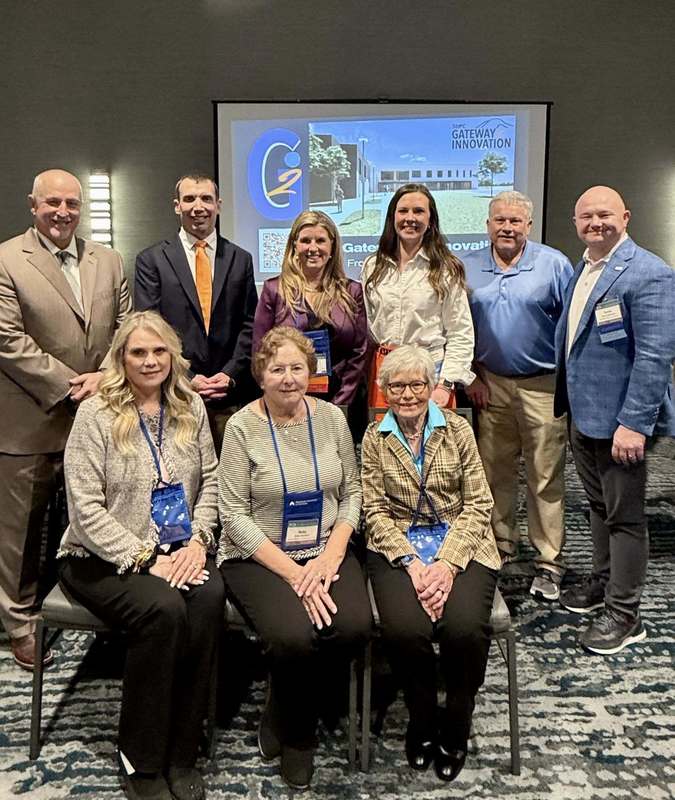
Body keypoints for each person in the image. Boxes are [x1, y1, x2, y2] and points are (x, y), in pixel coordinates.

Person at [58, 311, 224, 800]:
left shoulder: (190, 405)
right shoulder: (96, 414)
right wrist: (147, 558)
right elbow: (84, 509)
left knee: (209, 596)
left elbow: (210, 481)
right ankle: (140, 756)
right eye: (138, 353)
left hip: (181, 547)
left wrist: (197, 542)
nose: (150, 361)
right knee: (164, 608)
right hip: (99, 556)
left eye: (159, 351)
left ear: (173, 356)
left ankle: (181, 750)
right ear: (121, 359)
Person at [217, 326, 370, 790]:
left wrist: (331, 555)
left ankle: (281, 702)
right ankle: (296, 735)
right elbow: (232, 514)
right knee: (293, 637)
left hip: (324, 549)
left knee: (354, 626)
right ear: (261, 375)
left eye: (297, 368)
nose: (288, 378)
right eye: (277, 369)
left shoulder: (332, 419)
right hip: (257, 554)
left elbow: (352, 494)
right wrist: (296, 573)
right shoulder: (242, 426)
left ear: (312, 373)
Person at [0, 168, 131, 670]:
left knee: (98, 516)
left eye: (72, 204)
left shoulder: (109, 259)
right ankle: (20, 622)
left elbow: (124, 327)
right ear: (33, 205)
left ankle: (96, 609)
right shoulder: (8, 259)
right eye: (52, 203)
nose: (63, 212)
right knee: (22, 532)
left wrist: (103, 378)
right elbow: (9, 342)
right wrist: (72, 383)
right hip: (33, 419)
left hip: (100, 417)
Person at [362, 345, 501, 782]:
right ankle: (421, 718)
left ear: (431, 387)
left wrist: (445, 564)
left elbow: (479, 505)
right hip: (398, 547)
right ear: (384, 390)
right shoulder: (373, 438)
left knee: (464, 629)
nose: (407, 394)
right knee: (406, 630)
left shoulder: (458, 430)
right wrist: (411, 562)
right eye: (397, 385)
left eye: (417, 384)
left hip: (463, 542)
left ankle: (457, 723)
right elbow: (373, 511)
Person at [555, 185, 675, 655]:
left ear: (625, 216)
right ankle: (602, 585)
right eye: (586, 217)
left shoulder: (650, 273)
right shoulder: (583, 267)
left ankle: (625, 614)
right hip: (585, 416)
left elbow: (655, 356)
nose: (595, 223)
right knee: (599, 509)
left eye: (604, 215)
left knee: (625, 518)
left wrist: (634, 423)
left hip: (622, 422)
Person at [463, 191, 573, 600]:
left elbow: (570, 327)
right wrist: (471, 375)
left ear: (528, 225)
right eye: (499, 220)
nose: (506, 227)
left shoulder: (554, 264)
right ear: (488, 224)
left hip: (542, 385)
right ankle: (501, 547)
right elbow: (460, 327)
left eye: (515, 221)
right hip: (489, 384)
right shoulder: (468, 266)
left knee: (545, 475)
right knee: (494, 473)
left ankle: (549, 561)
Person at [134, 173, 258, 452]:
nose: (198, 206)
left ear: (219, 205)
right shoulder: (151, 260)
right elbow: (149, 328)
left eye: (206, 198)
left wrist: (229, 374)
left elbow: (250, 324)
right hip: (174, 395)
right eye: (189, 199)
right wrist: (187, 378)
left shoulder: (241, 259)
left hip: (231, 398)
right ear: (177, 205)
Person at [362, 183, 475, 409]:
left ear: (431, 220)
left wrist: (445, 385)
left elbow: (460, 332)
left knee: (432, 444)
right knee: (385, 443)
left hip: (430, 374)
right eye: (403, 211)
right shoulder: (373, 266)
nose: (410, 218)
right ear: (392, 217)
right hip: (385, 374)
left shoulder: (446, 268)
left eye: (419, 211)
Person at [252, 210, 367, 407]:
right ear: (294, 246)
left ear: (332, 247)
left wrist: (338, 405)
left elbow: (359, 353)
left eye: (320, 240)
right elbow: (260, 352)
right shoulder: (274, 290)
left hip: (341, 403)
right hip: (286, 400)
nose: (313, 248)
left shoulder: (352, 291)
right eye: (306, 240)